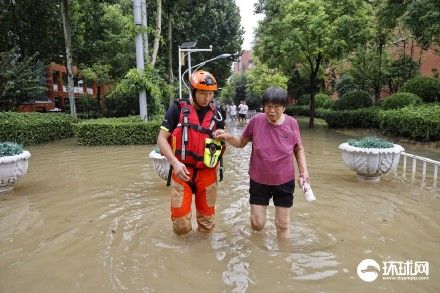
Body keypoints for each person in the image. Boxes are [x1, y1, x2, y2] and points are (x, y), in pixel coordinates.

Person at [214, 87, 310, 240]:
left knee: (283, 225)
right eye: (268, 107)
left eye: (276, 107)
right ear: (264, 106)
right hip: (259, 180)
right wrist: (228, 136)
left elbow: (298, 148)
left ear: (284, 107)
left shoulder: (292, 123)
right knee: (257, 223)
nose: (272, 111)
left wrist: (303, 171)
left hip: (284, 180)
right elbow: (241, 143)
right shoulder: (256, 121)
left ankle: (284, 258)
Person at [157, 70, 225, 235]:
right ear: (193, 91)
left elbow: (223, 144)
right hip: (182, 170)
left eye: (210, 94)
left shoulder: (218, 114)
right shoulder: (176, 109)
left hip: (207, 173)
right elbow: (161, 139)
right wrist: (174, 162)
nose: (207, 98)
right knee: (181, 225)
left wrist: (223, 137)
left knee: (207, 225)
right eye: (202, 93)